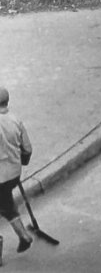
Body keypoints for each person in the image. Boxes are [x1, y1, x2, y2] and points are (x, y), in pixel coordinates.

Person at [0, 87, 33, 264]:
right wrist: (21, 161)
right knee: (5, 202)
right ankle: (23, 236)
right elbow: (27, 149)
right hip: (13, 174)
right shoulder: (16, 120)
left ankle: (23, 237)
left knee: (4, 203)